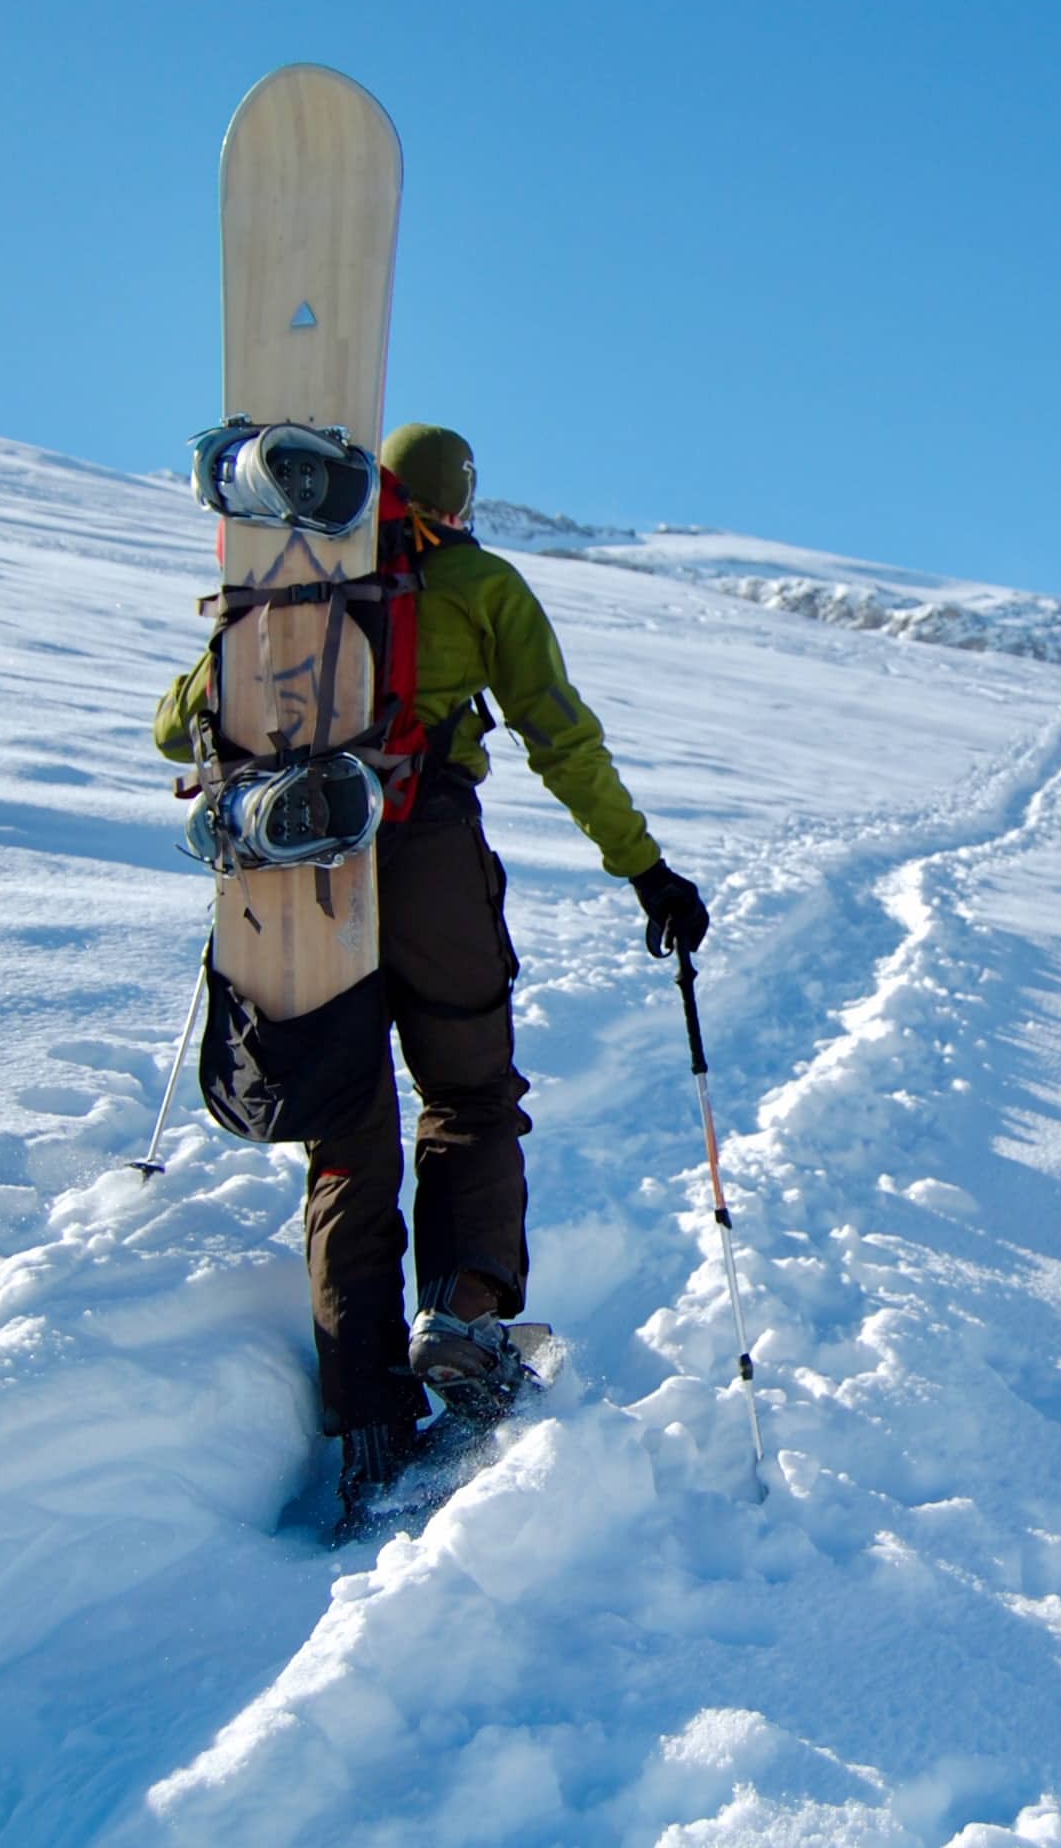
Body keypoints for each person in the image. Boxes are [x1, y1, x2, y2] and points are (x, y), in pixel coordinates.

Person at [155, 423, 709, 1520]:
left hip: (297, 873)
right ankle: (459, 1320)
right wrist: (644, 870)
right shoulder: (475, 584)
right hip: (429, 856)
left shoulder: (290, 586)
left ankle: (364, 1418)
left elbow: (178, 728)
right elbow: (561, 735)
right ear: (456, 500)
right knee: (466, 1091)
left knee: (345, 1136)